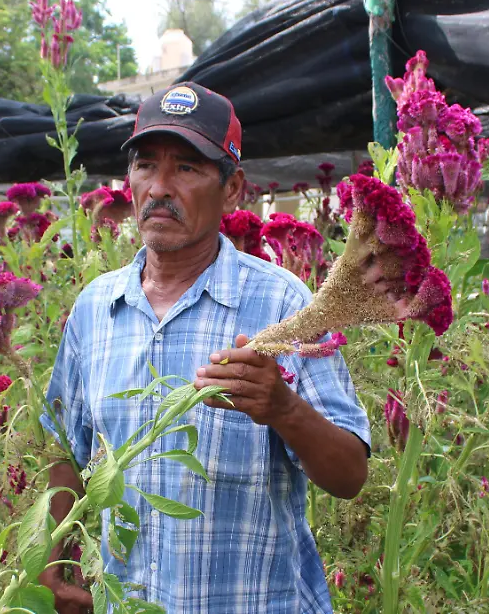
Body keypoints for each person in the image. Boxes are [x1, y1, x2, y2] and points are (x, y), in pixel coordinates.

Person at [39, 82, 371, 613]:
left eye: (187, 169)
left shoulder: (283, 303)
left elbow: (350, 474)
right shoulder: (95, 309)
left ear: (234, 188)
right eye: (146, 166)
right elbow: (61, 449)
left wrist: (283, 409)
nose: (159, 187)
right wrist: (52, 561)